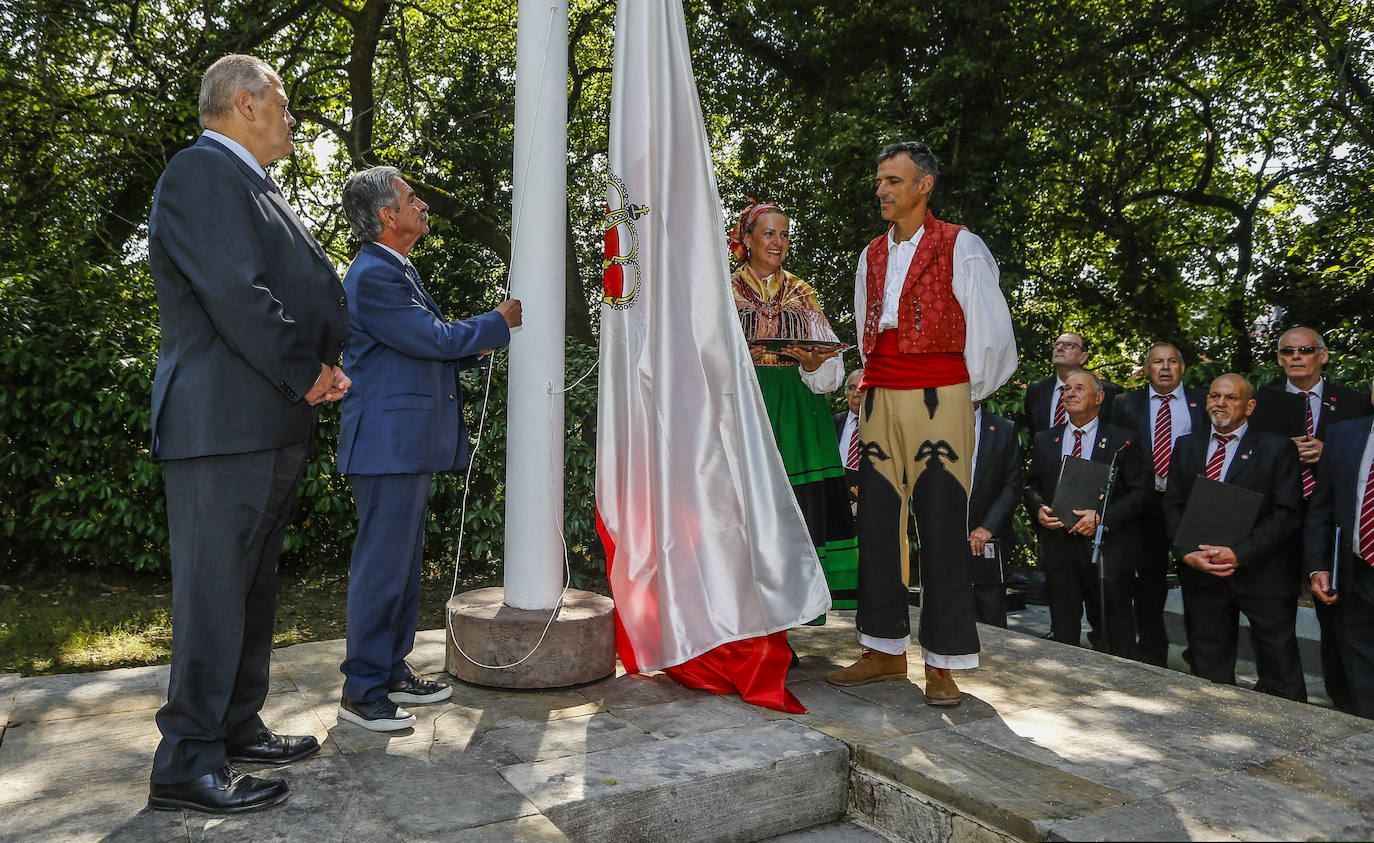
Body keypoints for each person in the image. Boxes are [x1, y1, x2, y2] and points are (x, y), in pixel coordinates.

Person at [145, 54, 350, 814]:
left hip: (264, 415)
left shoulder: (249, 183)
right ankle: (186, 759)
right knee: (213, 592)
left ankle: (234, 723)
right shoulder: (201, 173)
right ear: (246, 102)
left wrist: (316, 371)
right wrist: (308, 371)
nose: (293, 120)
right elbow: (236, 292)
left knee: (251, 586)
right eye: (285, 105)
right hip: (223, 421)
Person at [825, 141, 1016, 706]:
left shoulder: (962, 245)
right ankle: (883, 649)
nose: (881, 190)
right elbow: (868, 327)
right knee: (879, 525)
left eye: (892, 180)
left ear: (923, 185)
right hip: (881, 395)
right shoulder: (869, 255)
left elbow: (990, 334)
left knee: (940, 524)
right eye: (880, 180)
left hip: (942, 393)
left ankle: (943, 660)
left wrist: (965, 395)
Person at [336, 166, 521, 730]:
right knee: (382, 568)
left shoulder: (397, 268)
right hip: (387, 445)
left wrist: (475, 345)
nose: (423, 206)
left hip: (404, 444)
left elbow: (425, 350)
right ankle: (364, 691)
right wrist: (498, 323)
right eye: (412, 199)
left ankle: (390, 671)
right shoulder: (374, 274)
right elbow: (432, 339)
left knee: (403, 565)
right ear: (387, 215)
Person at [728, 201, 859, 610]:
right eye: (769, 233)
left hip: (800, 413)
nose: (778, 242)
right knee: (745, 507)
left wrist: (815, 363)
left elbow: (831, 367)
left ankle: (791, 618)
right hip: (745, 405)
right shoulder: (722, 291)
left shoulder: (802, 292)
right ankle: (748, 619)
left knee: (798, 510)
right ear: (746, 240)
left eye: (784, 234)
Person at [1163, 374, 1307, 701]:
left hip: (1263, 573)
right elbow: (1173, 506)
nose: (1220, 404)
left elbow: (1287, 514)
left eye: (1231, 398)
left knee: (1279, 668)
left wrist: (1240, 553)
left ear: (1249, 406)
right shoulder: (1187, 446)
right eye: (1215, 396)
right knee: (1208, 668)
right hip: (1203, 571)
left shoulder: (1277, 448)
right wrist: (1185, 553)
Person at [1254, 327, 1374, 711]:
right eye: (1287, 351)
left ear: (1323, 355)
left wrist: (1327, 451)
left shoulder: (1354, 403)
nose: (1296, 356)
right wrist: (1278, 453)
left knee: (1338, 623)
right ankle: (1280, 692)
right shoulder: (1263, 403)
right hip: (1279, 522)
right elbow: (1249, 462)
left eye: (1305, 349)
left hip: (1337, 528)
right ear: (1278, 358)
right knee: (1272, 612)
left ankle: (1347, 701)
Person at [1024, 371, 1151, 655]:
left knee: (1115, 633)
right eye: (1067, 388)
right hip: (1059, 549)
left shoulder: (1123, 440)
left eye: (1079, 388)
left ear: (1099, 398)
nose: (1070, 393)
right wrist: (1039, 509)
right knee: (1064, 632)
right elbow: (1032, 485)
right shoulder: (1046, 439)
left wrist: (1102, 517)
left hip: (1106, 552)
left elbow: (1142, 492)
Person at [1111, 343, 1208, 666]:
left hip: (1192, 505)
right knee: (1149, 585)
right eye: (1157, 362)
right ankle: (1153, 657)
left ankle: (1201, 655)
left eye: (1171, 362)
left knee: (1198, 583)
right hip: (1144, 506)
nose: (1165, 367)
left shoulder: (1204, 402)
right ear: (1147, 368)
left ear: (1182, 367)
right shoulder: (1125, 403)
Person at [1304, 381, 1374, 718]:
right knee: (1360, 669)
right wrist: (1319, 565)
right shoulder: (1343, 434)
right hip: (1355, 572)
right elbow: (1322, 506)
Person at [968, 401, 1023, 627]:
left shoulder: (1003, 428)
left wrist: (988, 527)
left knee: (989, 608)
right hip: (946, 532)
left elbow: (1012, 485)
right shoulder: (932, 424)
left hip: (988, 536)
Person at [1024, 332, 1122, 436]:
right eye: (1057, 344)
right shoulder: (1036, 390)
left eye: (1069, 345)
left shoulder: (1109, 392)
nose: (1060, 348)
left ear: (1083, 357)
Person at [835, 368, 865, 509]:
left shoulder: (884, 425)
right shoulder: (834, 423)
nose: (856, 394)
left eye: (862, 388)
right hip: (838, 500)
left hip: (874, 502)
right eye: (852, 388)